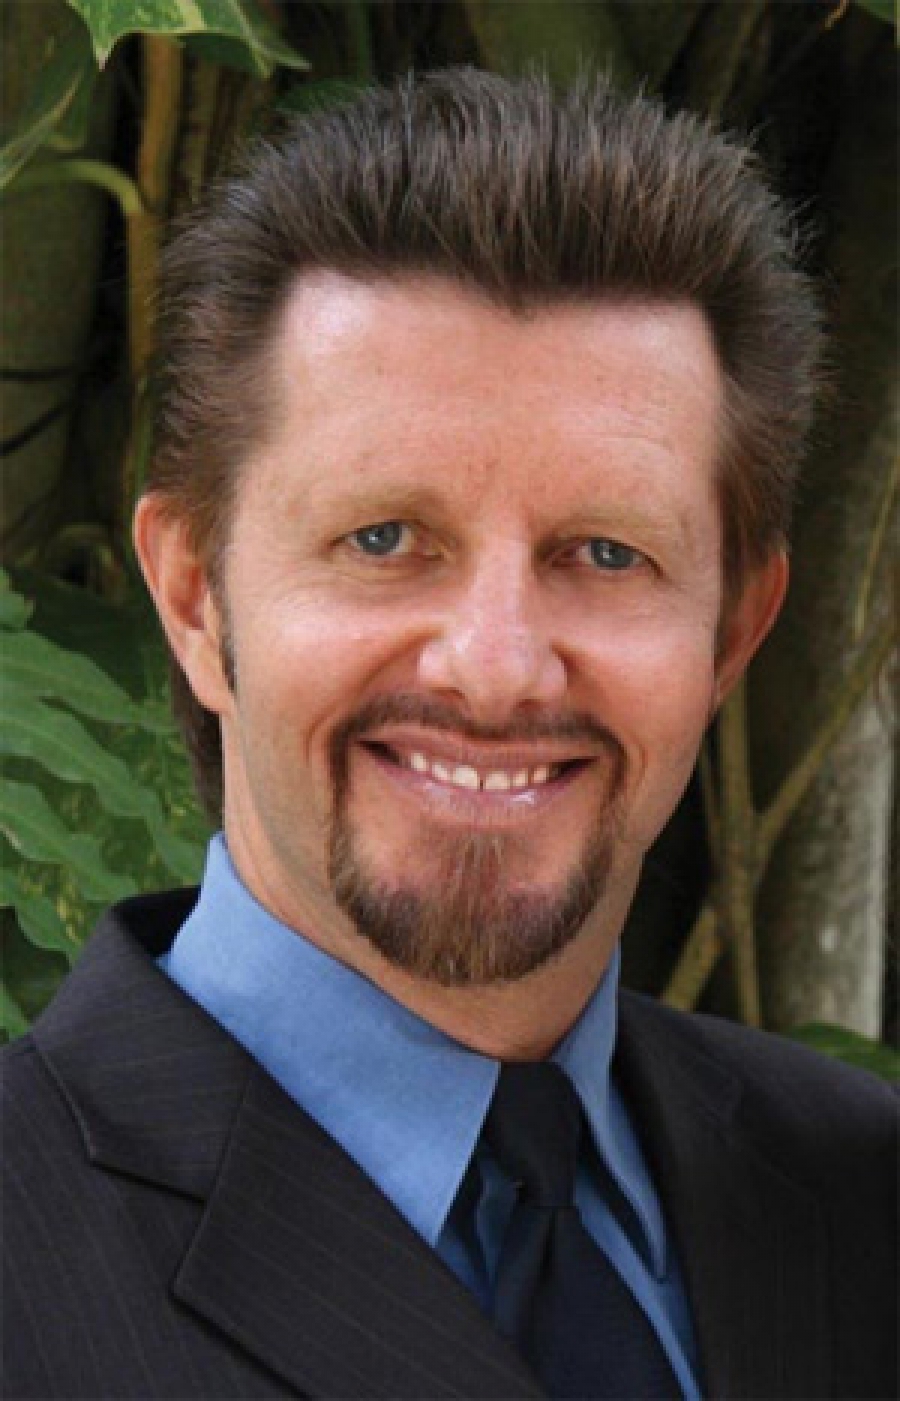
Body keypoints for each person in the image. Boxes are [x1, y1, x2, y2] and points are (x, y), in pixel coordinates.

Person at [2, 69, 895, 1401]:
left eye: (607, 552)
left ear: (731, 636)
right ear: (194, 597)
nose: (493, 666)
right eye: (383, 538)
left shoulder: (866, 1196)